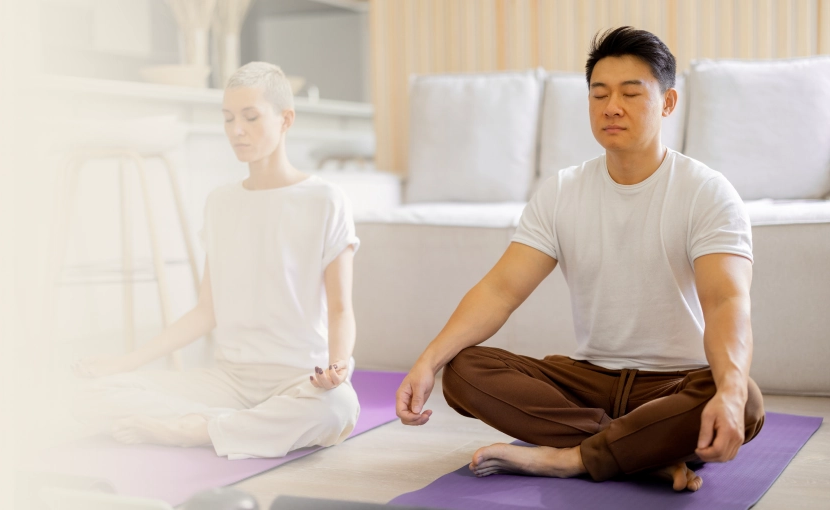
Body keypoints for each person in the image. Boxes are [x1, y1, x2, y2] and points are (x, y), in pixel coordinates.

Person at [394, 27, 765, 491]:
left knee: (743, 398)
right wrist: (427, 362)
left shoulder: (708, 193)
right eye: (599, 94)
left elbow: (726, 301)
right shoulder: (563, 191)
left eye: (631, 93)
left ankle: (570, 457)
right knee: (465, 370)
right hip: (589, 382)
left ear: (668, 103)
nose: (612, 106)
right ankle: (637, 453)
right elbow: (500, 291)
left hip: (675, 386)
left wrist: (727, 391)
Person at [70, 62, 361, 459]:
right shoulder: (221, 202)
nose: (236, 130)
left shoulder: (326, 200)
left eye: (251, 117)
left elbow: (341, 308)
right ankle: (232, 424)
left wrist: (338, 366)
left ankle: (200, 429)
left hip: (298, 378)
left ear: (286, 119)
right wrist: (125, 362)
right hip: (229, 380)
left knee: (339, 408)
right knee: (94, 394)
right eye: (228, 118)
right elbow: (206, 312)